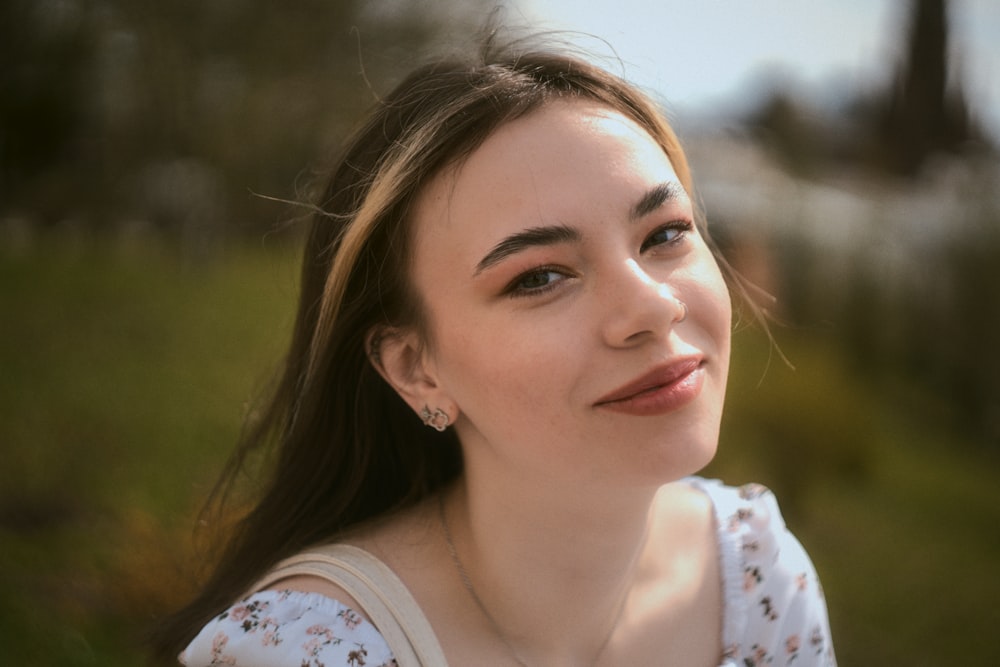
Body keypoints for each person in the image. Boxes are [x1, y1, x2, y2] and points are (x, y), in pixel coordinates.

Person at [152, 35, 836, 667]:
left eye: (663, 234)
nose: (654, 307)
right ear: (415, 368)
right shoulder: (307, 650)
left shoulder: (757, 576)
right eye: (539, 276)